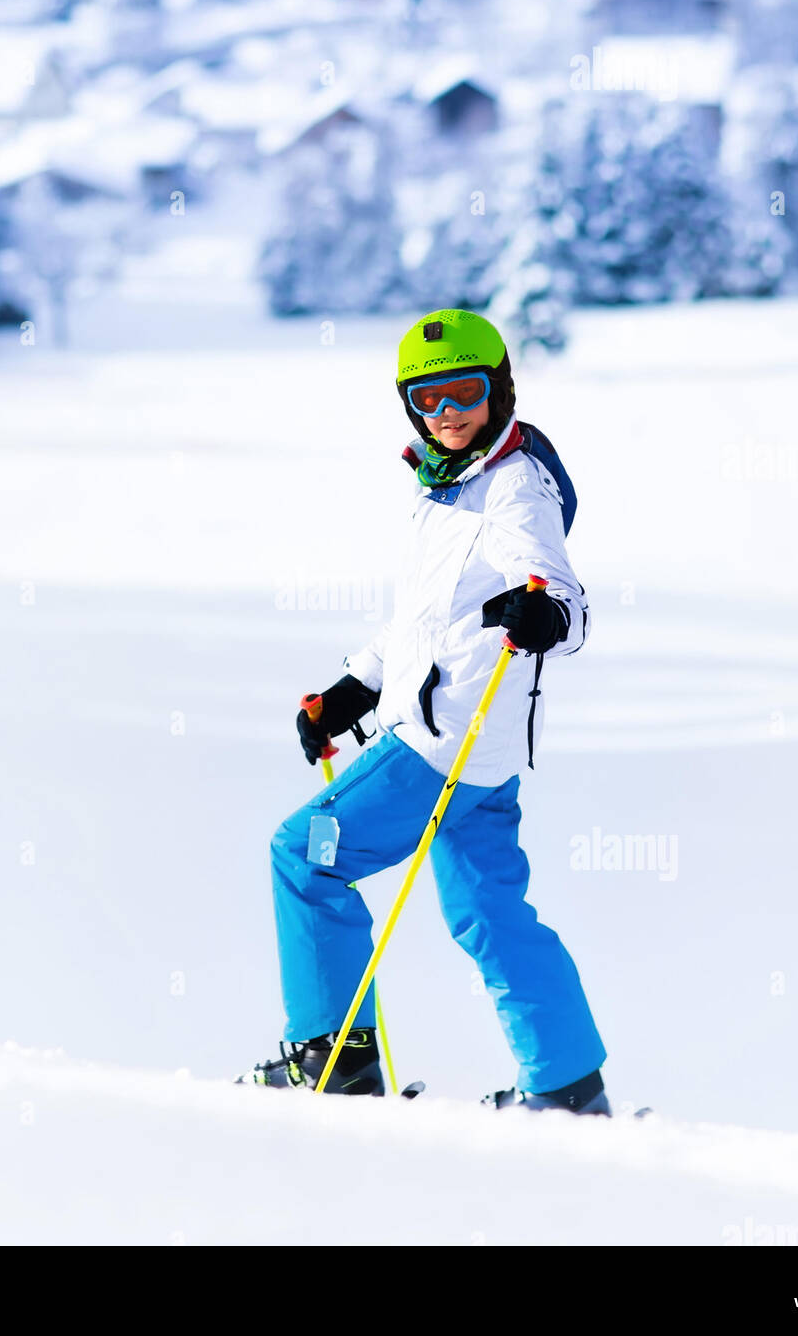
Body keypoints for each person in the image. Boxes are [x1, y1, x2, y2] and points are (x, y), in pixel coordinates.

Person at [236, 309, 609, 1114]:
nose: (448, 414)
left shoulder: (512, 484)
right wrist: (354, 688)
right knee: (488, 911)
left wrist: (546, 615)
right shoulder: (448, 484)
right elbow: (428, 619)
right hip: (481, 745)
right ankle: (568, 1084)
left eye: (465, 393)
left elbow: (561, 595)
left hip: (442, 742)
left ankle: (332, 1062)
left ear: (499, 387)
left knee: (304, 856)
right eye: (428, 399)